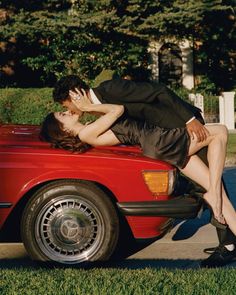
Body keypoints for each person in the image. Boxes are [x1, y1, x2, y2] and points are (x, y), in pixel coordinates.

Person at [52, 75, 236, 267]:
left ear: (75, 96)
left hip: (180, 126)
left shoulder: (111, 89)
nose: (69, 110)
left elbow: (159, 91)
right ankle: (228, 241)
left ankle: (229, 242)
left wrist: (189, 120)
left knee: (214, 186)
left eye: (67, 106)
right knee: (217, 165)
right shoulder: (93, 119)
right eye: (65, 112)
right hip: (165, 142)